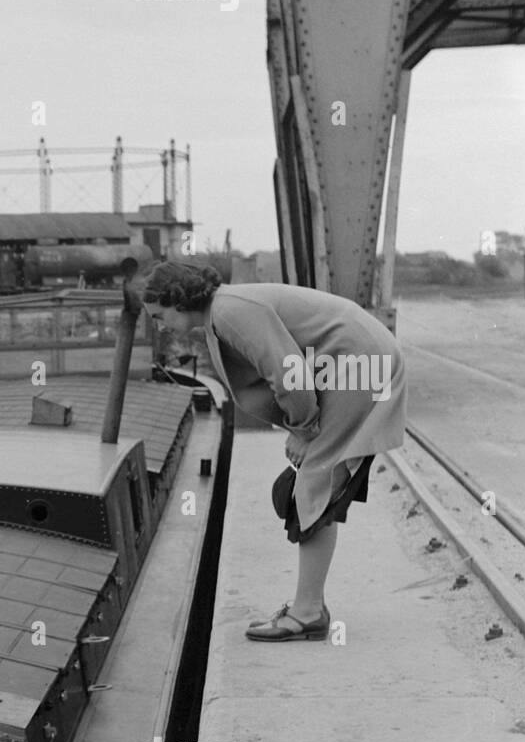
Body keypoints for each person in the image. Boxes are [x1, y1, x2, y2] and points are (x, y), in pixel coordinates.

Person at [140, 261, 406, 641]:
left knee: (314, 485)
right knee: (316, 486)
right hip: (352, 361)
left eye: (158, 314)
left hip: (359, 364)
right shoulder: (222, 312)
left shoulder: (230, 311)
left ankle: (307, 613)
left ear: (176, 299)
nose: (159, 324)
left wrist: (303, 428)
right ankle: (309, 608)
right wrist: (303, 427)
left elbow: (288, 372)